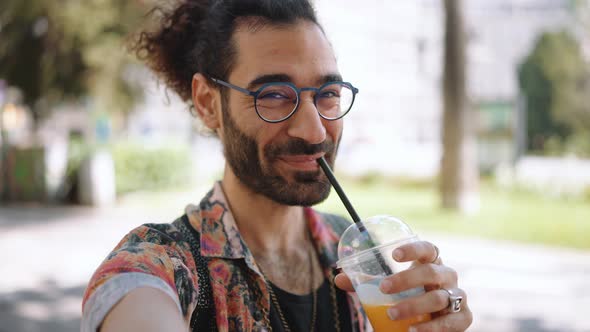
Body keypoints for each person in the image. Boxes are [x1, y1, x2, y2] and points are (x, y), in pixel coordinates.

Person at [81, 0, 473, 331]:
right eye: (273, 95)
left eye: (328, 94)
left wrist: (443, 313)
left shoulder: (358, 253)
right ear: (207, 103)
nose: (314, 129)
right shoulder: (161, 263)